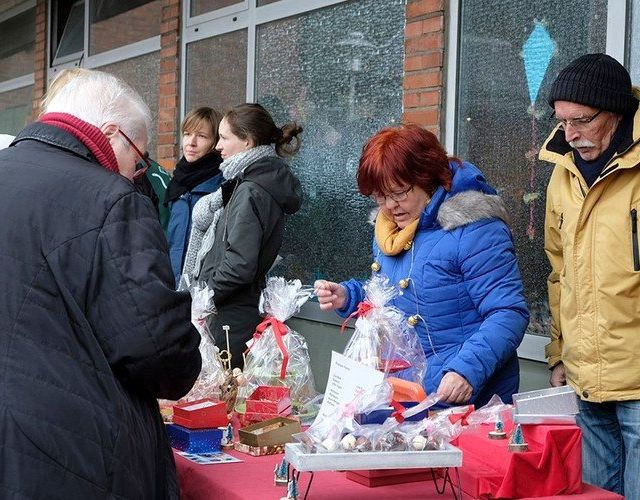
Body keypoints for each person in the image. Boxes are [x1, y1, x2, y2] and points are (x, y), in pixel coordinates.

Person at [0, 69, 201, 499]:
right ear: (111, 134)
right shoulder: (111, 199)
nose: (136, 172)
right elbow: (157, 349)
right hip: (70, 453)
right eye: (139, 158)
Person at [315, 124, 529, 407]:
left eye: (399, 193)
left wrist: (466, 370)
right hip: (404, 390)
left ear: (426, 179)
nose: (389, 206)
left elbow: (508, 313)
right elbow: (396, 294)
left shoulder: (475, 229)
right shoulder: (391, 229)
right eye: (380, 196)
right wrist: (349, 296)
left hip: (461, 395)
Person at [540, 53, 640, 498]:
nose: (570, 134)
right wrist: (559, 353)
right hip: (585, 380)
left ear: (614, 112)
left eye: (581, 120)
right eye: (562, 121)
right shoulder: (562, 174)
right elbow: (559, 272)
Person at [182, 103, 303, 368]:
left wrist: (205, 298)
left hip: (230, 319)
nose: (217, 146)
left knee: (223, 389)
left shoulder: (251, 190)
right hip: (232, 313)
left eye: (224, 138)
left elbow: (239, 265)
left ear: (247, 141)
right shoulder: (248, 183)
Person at [165, 107, 224, 285]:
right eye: (187, 134)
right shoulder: (175, 184)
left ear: (215, 142)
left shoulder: (222, 186)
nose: (191, 142)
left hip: (205, 288)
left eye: (202, 136)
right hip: (171, 285)